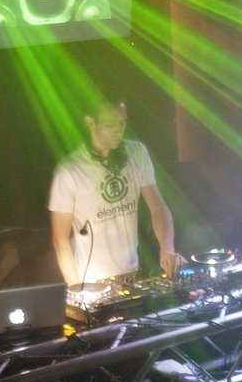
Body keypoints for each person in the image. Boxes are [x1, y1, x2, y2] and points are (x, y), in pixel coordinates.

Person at [48, 98, 187, 286]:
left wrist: (167, 248)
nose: (118, 131)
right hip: (92, 282)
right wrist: (76, 288)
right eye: (110, 124)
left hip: (133, 274)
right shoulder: (69, 171)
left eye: (122, 123)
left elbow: (158, 208)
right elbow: (60, 239)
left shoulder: (137, 152)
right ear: (90, 123)